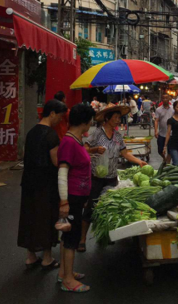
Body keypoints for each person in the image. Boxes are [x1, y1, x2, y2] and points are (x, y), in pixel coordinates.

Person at [78, 106, 147, 252]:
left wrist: (139, 162)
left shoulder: (117, 136)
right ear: (107, 119)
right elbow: (84, 149)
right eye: (115, 117)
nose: (117, 120)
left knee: (107, 207)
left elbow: (125, 153)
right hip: (96, 177)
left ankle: (104, 235)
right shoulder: (97, 134)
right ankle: (82, 239)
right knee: (90, 208)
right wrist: (95, 150)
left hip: (111, 178)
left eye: (118, 117)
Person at [17, 99, 67, 269]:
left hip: (29, 181)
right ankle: (47, 258)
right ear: (52, 113)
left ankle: (30, 256)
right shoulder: (51, 135)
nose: (60, 120)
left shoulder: (31, 132)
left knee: (30, 216)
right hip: (46, 183)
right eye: (59, 116)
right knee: (46, 218)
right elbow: (56, 162)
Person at [57, 103, 97, 293]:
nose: (91, 124)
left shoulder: (77, 139)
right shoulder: (69, 142)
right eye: (90, 120)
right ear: (84, 121)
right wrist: (64, 202)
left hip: (78, 196)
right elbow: (62, 173)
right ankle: (68, 281)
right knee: (72, 237)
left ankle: (65, 273)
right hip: (71, 198)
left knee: (68, 236)